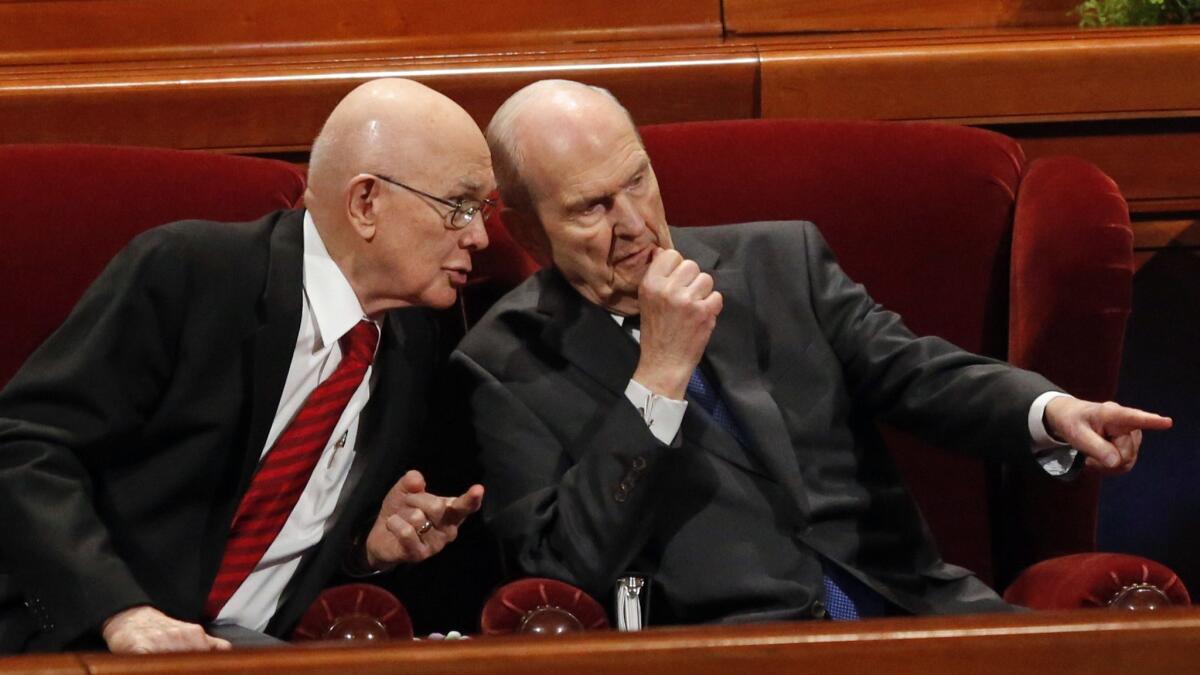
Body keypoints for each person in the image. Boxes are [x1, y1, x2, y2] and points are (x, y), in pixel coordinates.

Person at [451, 79, 1173, 625]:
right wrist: (658, 380)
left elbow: (914, 370)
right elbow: (557, 564)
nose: (635, 223)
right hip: (735, 648)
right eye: (591, 207)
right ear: (529, 232)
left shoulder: (777, 260)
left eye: (637, 179)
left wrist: (1051, 410)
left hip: (917, 615)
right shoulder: (507, 360)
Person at [0, 78, 493, 653]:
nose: (480, 235)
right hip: (86, 640)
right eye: (460, 208)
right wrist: (122, 614)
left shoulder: (412, 341)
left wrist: (362, 545)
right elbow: (22, 446)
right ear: (365, 203)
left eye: (482, 210)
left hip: (249, 653)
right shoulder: (191, 274)